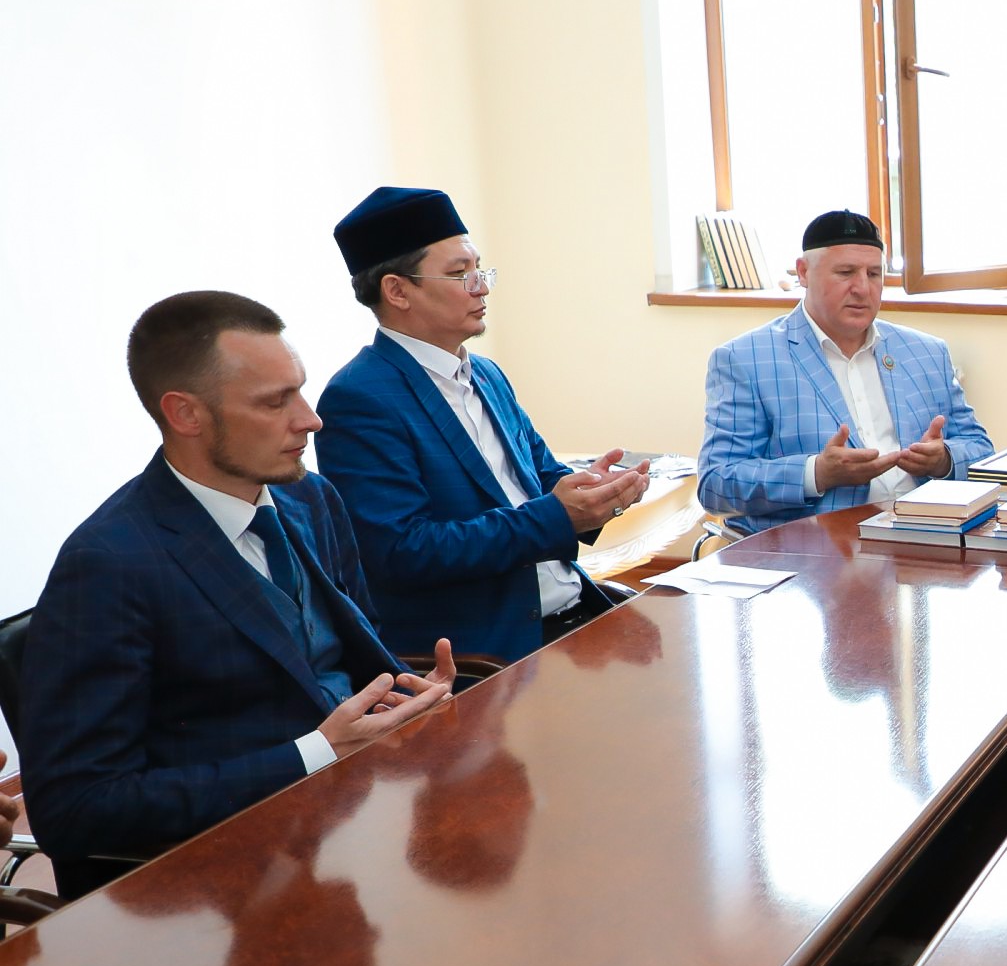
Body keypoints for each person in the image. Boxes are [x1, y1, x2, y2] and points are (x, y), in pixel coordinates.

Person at [17, 292, 456, 899]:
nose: (311, 419)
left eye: (300, 391)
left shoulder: (310, 498)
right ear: (186, 414)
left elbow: (343, 655)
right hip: (227, 883)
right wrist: (316, 752)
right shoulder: (109, 564)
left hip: (356, 819)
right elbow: (76, 809)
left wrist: (402, 698)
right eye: (276, 402)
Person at [314, 185, 645, 662]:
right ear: (397, 291)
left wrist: (597, 491)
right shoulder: (360, 397)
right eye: (459, 274)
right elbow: (402, 552)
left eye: (479, 269)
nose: (481, 287)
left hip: (577, 611)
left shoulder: (486, 374)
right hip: (487, 653)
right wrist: (556, 516)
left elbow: (540, 479)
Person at [699, 208, 995, 534]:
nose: (862, 288)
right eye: (846, 272)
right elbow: (716, 484)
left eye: (874, 274)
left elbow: (981, 451)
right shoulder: (745, 360)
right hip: (813, 552)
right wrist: (816, 474)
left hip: (925, 538)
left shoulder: (926, 352)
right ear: (803, 272)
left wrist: (944, 461)